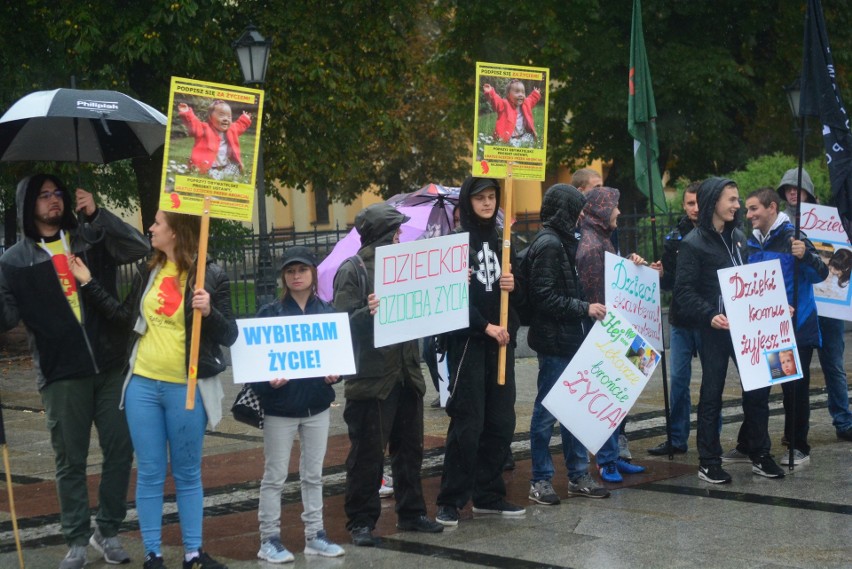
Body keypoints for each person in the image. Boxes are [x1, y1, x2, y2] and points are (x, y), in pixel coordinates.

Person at [70, 210, 238, 569]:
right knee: (148, 471)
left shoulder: (212, 275)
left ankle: (193, 552)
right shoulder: (150, 270)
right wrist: (88, 283)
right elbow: (124, 317)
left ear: (176, 231)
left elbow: (230, 336)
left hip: (186, 387)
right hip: (142, 386)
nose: (151, 228)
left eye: (158, 223)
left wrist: (209, 311)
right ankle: (153, 554)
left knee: (187, 471)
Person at [0, 175, 149, 569]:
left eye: (58, 194)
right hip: (61, 372)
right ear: (28, 205)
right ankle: (77, 540)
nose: (54, 201)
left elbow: (139, 247)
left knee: (120, 447)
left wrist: (100, 214)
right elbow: (7, 317)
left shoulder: (88, 238)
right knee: (71, 459)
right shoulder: (15, 260)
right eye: (44, 196)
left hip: (109, 362)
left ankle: (109, 529)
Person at [333, 203, 443, 546]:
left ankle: (412, 513)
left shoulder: (407, 266)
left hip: (407, 376)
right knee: (367, 455)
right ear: (382, 234)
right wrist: (367, 311)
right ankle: (361, 522)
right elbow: (340, 327)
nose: (400, 235)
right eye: (395, 230)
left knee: (410, 451)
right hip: (372, 381)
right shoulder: (352, 271)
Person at [675, 177, 784, 484]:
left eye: (738, 200)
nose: (738, 206)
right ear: (715, 202)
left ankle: (759, 452)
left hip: (746, 327)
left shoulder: (738, 237)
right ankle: (708, 460)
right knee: (712, 392)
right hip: (715, 330)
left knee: (759, 387)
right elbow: (683, 292)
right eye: (732, 200)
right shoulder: (693, 244)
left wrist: (774, 306)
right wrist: (709, 314)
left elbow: (751, 281)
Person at [435, 177, 525, 526]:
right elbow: (450, 298)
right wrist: (483, 326)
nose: (487, 204)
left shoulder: (504, 241)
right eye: (480, 198)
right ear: (467, 202)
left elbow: (521, 297)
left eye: (492, 197)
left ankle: (488, 494)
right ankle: (450, 499)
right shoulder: (456, 242)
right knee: (468, 423)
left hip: (501, 343)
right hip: (470, 344)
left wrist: (513, 285)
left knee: (501, 422)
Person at [250, 246, 344, 562]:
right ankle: (269, 539)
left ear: (313, 273)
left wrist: (336, 375)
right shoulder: (269, 313)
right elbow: (256, 362)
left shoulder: (327, 313)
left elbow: (337, 359)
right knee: (275, 475)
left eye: (302, 270)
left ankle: (315, 535)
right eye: (290, 271)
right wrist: (268, 381)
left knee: (313, 474)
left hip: (316, 405)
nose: (296, 276)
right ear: (284, 277)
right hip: (281, 408)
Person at [525, 184, 610, 506]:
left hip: (572, 339)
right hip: (555, 343)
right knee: (547, 412)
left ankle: (578, 475)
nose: (580, 218)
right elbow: (543, 296)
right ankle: (540, 479)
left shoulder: (564, 240)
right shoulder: (549, 244)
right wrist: (583, 308)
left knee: (575, 411)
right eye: (576, 211)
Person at [576, 186, 649, 483]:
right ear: (603, 209)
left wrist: (631, 267)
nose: (619, 212)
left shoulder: (603, 239)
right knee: (609, 394)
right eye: (615, 206)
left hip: (618, 330)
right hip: (607, 333)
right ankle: (606, 460)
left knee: (624, 390)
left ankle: (615, 455)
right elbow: (597, 294)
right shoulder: (593, 246)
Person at [776, 168, 852, 442]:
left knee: (833, 365)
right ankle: (793, 430)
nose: (793, 192)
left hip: (829, 307)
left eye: (797, 187)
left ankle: (843, 420)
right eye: (788, 188)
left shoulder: (833, 218)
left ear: (808, 188)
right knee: (791, 372)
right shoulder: (779, 224)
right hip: (799, 310)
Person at [648, 183, 701, 456]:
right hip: (681, 318)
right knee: (678, 379)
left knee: (712, 381)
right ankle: (677, 437)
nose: (695, 209)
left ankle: (708, 438)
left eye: (698, 203)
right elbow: (669, 281)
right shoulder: (675, 237)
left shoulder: (721, 232)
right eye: (690, 203)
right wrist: (660, 272)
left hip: (709, 319)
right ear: (683, 206)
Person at [178, 100, 252, 179]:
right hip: (207, 166)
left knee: (235, 167)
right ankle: (220, 176)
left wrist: (245, 118)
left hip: (225, 165)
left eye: (229, 117)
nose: (226, 119)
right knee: (207, 172)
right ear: (210, 117)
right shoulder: (204, 129)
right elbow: (194, 124)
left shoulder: (232, 129)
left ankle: (223, 175)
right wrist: (187, 113)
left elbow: (239, 125)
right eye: (221, 115)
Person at [482, 80, 541, 146]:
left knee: (530, 137)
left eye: (523, 92)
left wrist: (535, 93)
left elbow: (531, 99)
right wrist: (490, 92)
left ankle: (522, 143)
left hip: (522, 135)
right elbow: (496, 101)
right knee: (510, 143)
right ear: (508, 95)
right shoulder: (504, 104)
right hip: (508, 137)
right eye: (517, 92)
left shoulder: (526, 104)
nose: (521, 95)